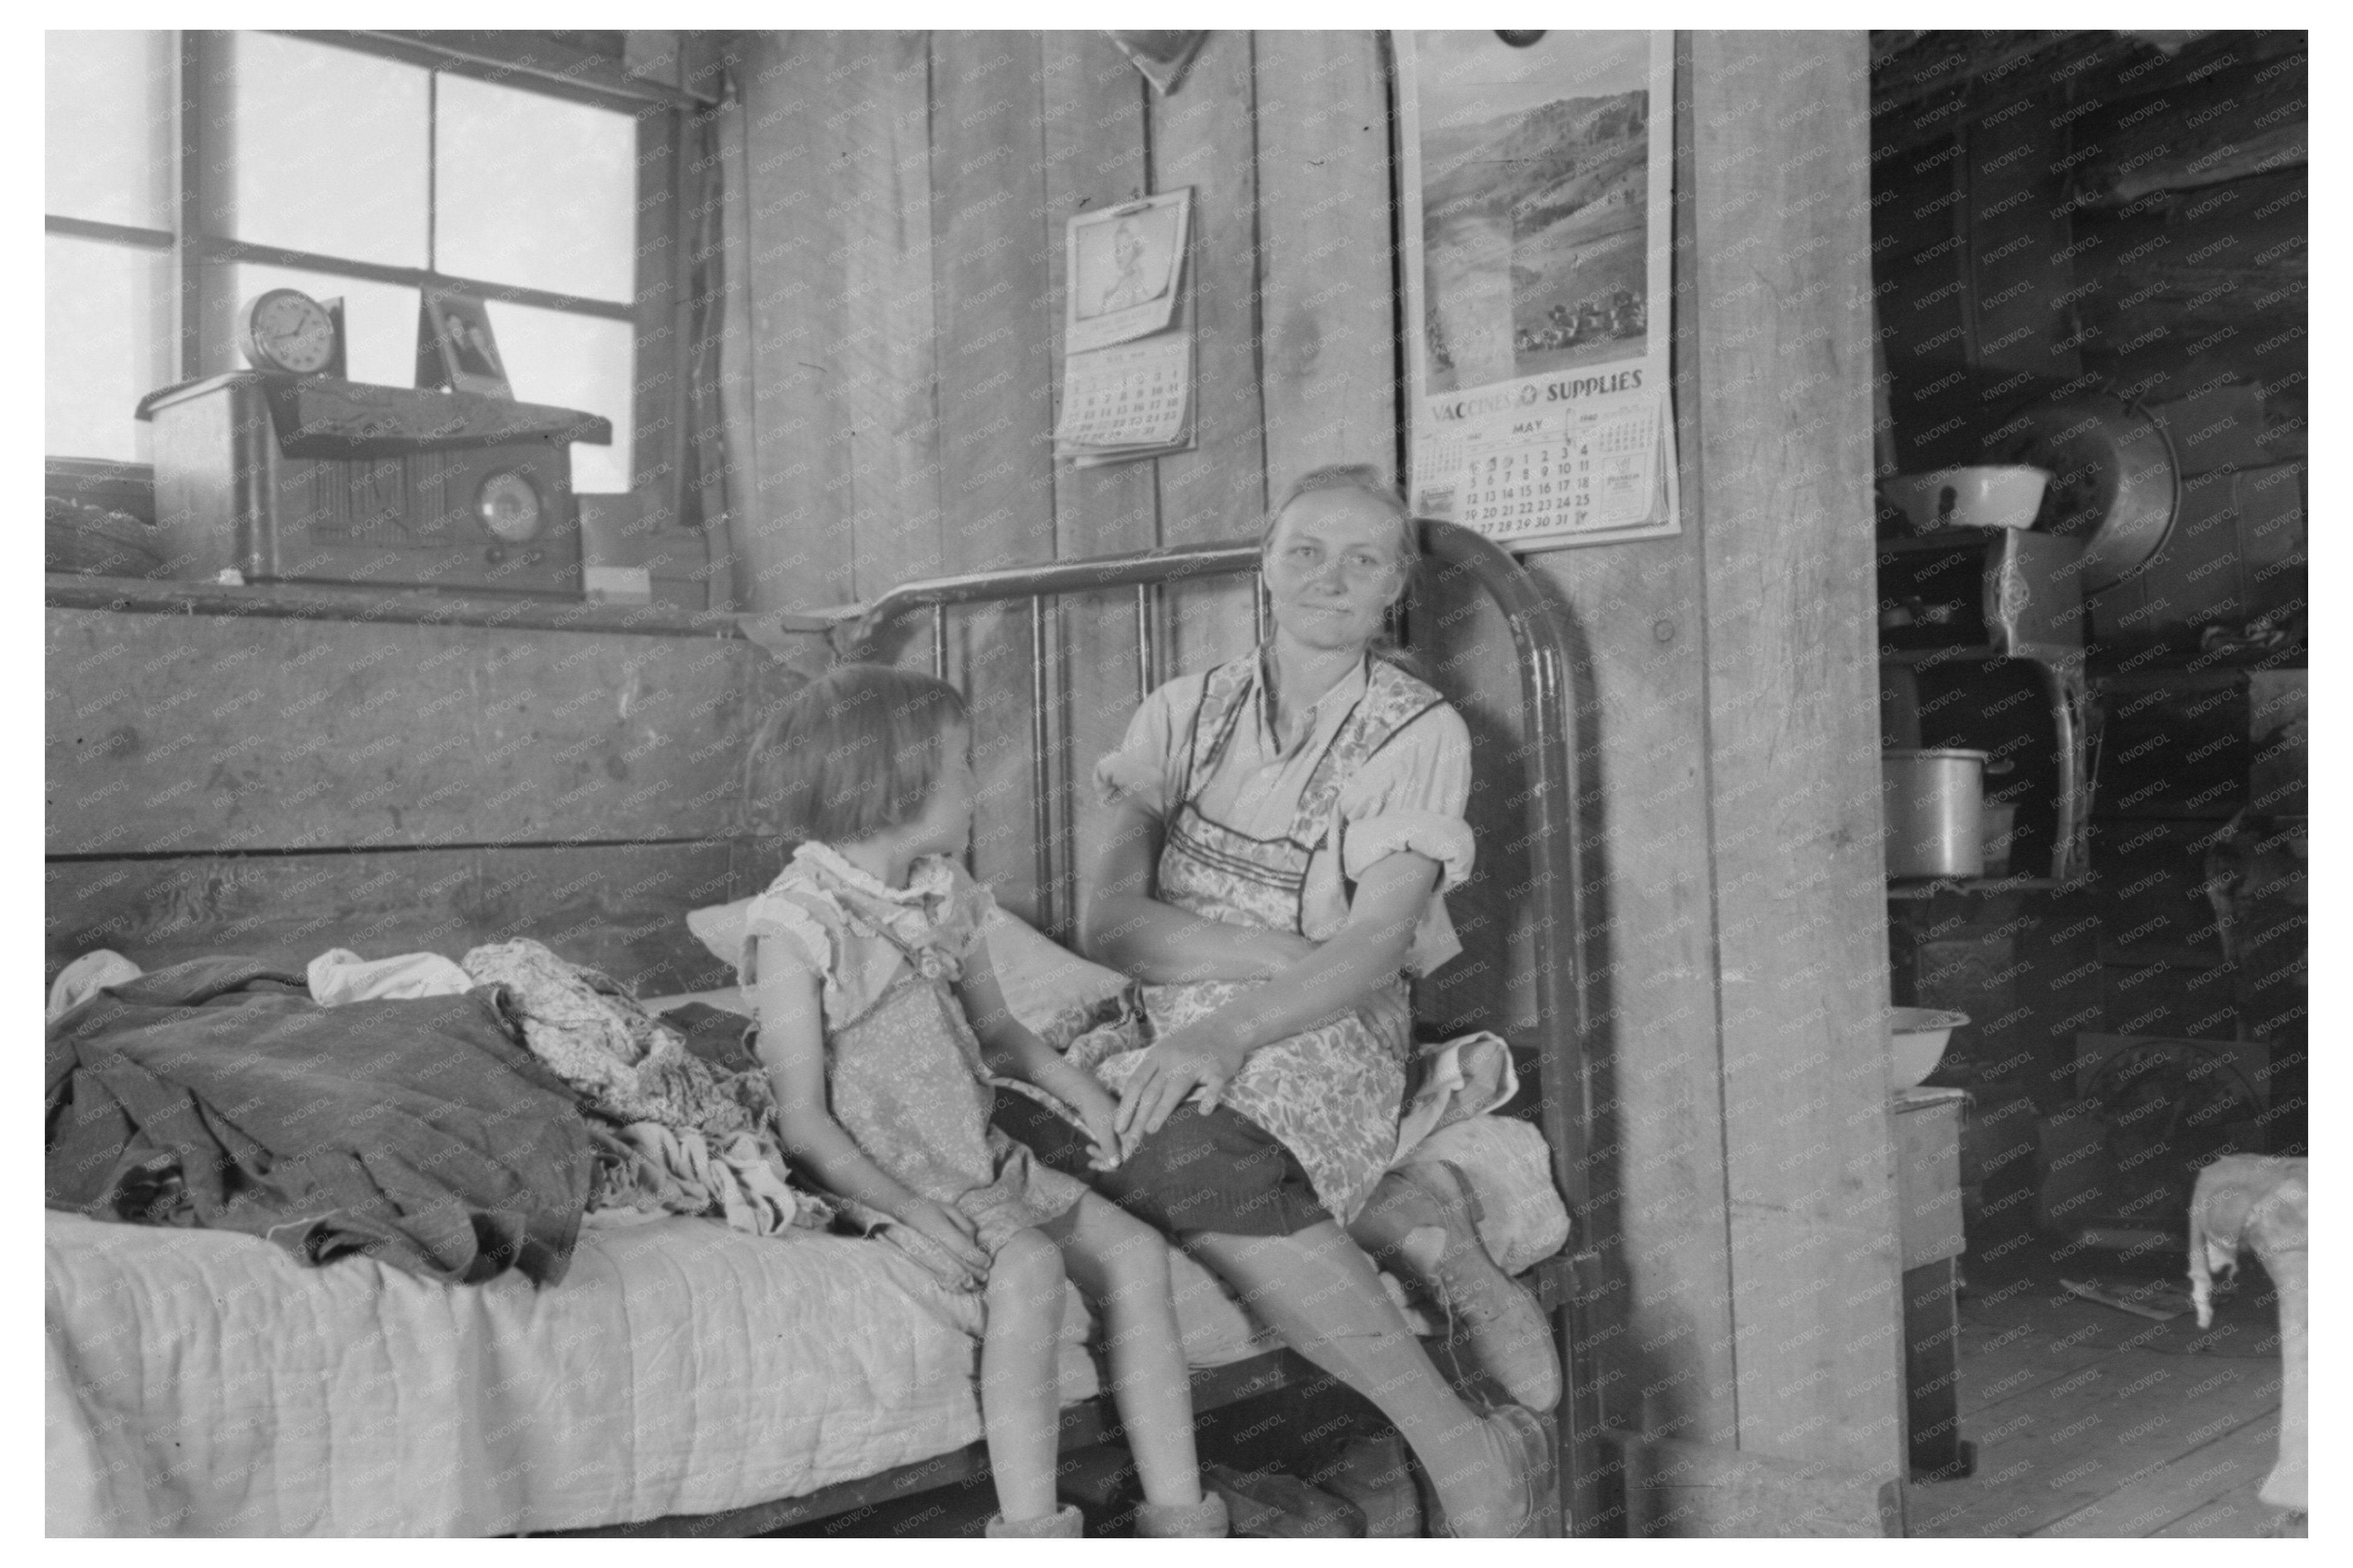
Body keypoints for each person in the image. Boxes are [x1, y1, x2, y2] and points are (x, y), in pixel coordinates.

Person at [1002, 464, 1560, 1536]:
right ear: (1263, 564)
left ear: (1395, 585)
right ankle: (1398, 1209)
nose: (1328, 577)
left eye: (1362, 559)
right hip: (1187, 1003)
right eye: (1304, 550)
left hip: (1326, 1017)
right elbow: (1111, 925)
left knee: (1180, 1147)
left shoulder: (1420, 732)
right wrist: (1272, 952)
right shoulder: (1179, 711)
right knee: (1049, 1121)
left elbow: (1372, 951)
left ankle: (1461, 1445)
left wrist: (1234, 1021)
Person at [745, 665, 1227, 1540]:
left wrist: (1088, 1095)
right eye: (962, 763)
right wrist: (911, 1211)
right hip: (889, 1170)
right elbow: (803, 1121)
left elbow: (1001, 1033)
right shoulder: (799, 923)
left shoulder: (947, 891)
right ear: (891, 780)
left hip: (977, 1151)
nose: (978, 784)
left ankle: (1181, 1522)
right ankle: (1034, 1533)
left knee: (1136, 1253)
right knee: (1030, 1268)